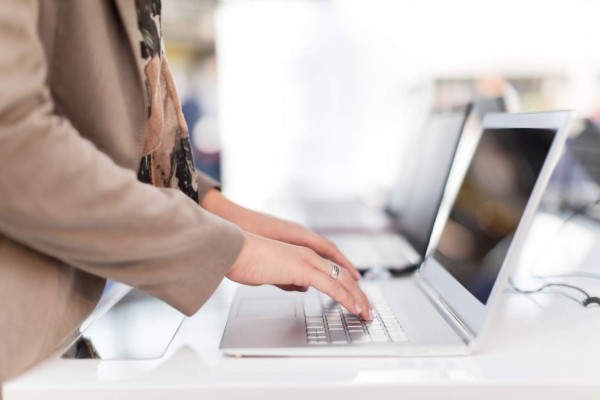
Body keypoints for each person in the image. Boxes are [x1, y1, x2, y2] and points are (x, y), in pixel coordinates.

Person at [0, 0, 371, 386]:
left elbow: (92, 118)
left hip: (56, 352)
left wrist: (215, 210)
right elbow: (13, 146)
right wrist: (228, 248)